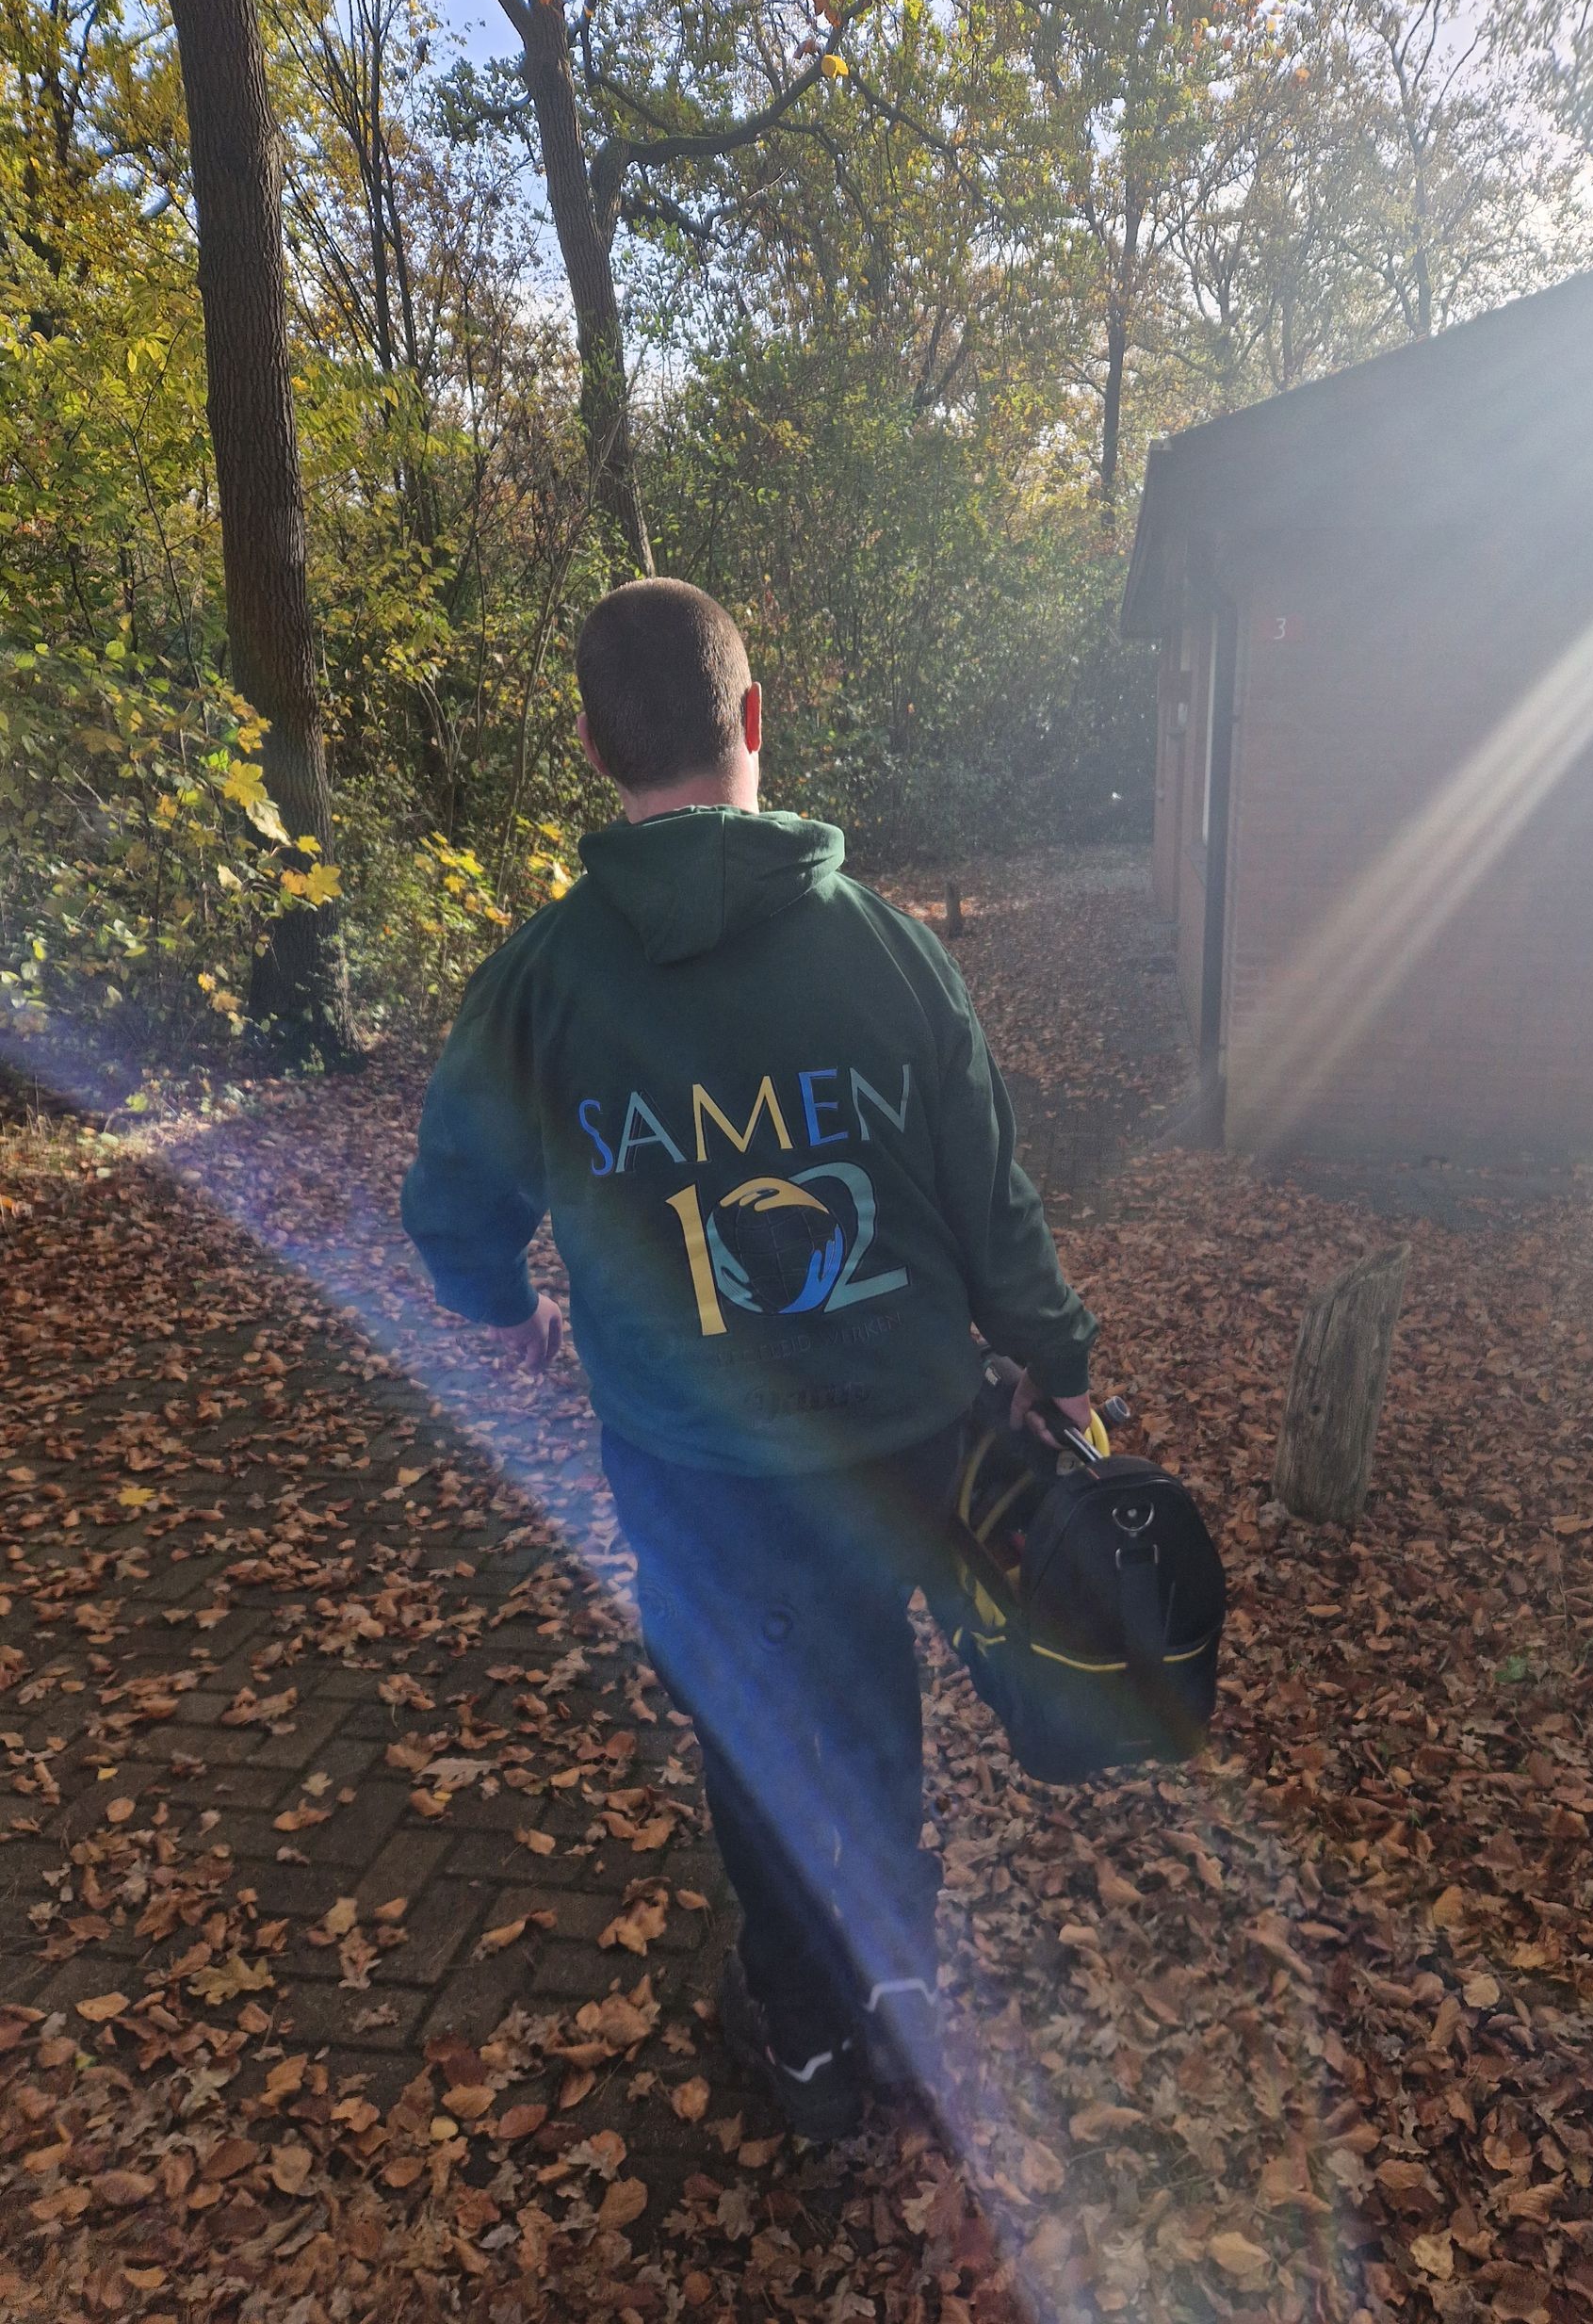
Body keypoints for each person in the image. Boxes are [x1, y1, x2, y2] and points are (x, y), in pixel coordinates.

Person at [401, 578, 1097, 2139]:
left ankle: (802, 2029)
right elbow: (994, 1207)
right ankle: (899, 1981)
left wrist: (507, 1314)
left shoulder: (541, 981)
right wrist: (1056, 1361)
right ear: (755, 721)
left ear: (593, 747)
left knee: (751, 1718)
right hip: (906, 1440)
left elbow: (449, 1210)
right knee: (871, 1691)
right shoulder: (895, 957)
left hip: (691, 1458)